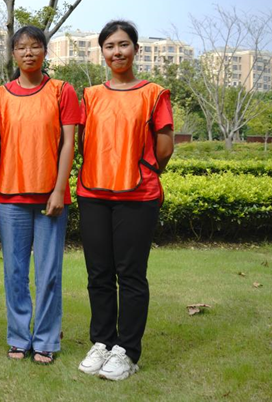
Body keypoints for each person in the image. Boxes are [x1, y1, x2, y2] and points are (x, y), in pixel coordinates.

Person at [76, 20, 174, 381]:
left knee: (130, 274)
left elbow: (165, 146)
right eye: (109, 46)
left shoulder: (154, 93)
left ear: (136, 49)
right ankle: (102, 342)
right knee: (98, 273)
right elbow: (83, 140)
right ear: (102, 51)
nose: (116, 52)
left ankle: (127, 351)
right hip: (93, 194)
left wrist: (143, 169)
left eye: (123, 44)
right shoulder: (90, 95)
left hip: (137, 195)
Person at [0, 26, 80, 365]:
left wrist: (59, 189)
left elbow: (68, 142)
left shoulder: (62, 91)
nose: (28, 53)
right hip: (10, 198)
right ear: (13, 54)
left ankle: (45, 340)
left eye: (35, 46)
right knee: (14, 272)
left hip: (49, 199)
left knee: (49, 273)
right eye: (22, 48)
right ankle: (18, 337)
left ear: (45, 51)